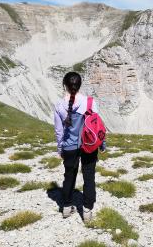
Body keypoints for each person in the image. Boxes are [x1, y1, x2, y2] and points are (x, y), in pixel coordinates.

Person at [53, 71, 106, 222]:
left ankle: (66, 206)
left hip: (69, 146)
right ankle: (87, 211)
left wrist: (60, 148)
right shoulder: (89, 102)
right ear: (80, 85)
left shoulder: (59, 105)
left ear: (65, 85)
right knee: (89, 177)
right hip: (89, 145)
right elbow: (97, 125)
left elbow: (59, 131)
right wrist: (102, 143)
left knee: (69, 175)